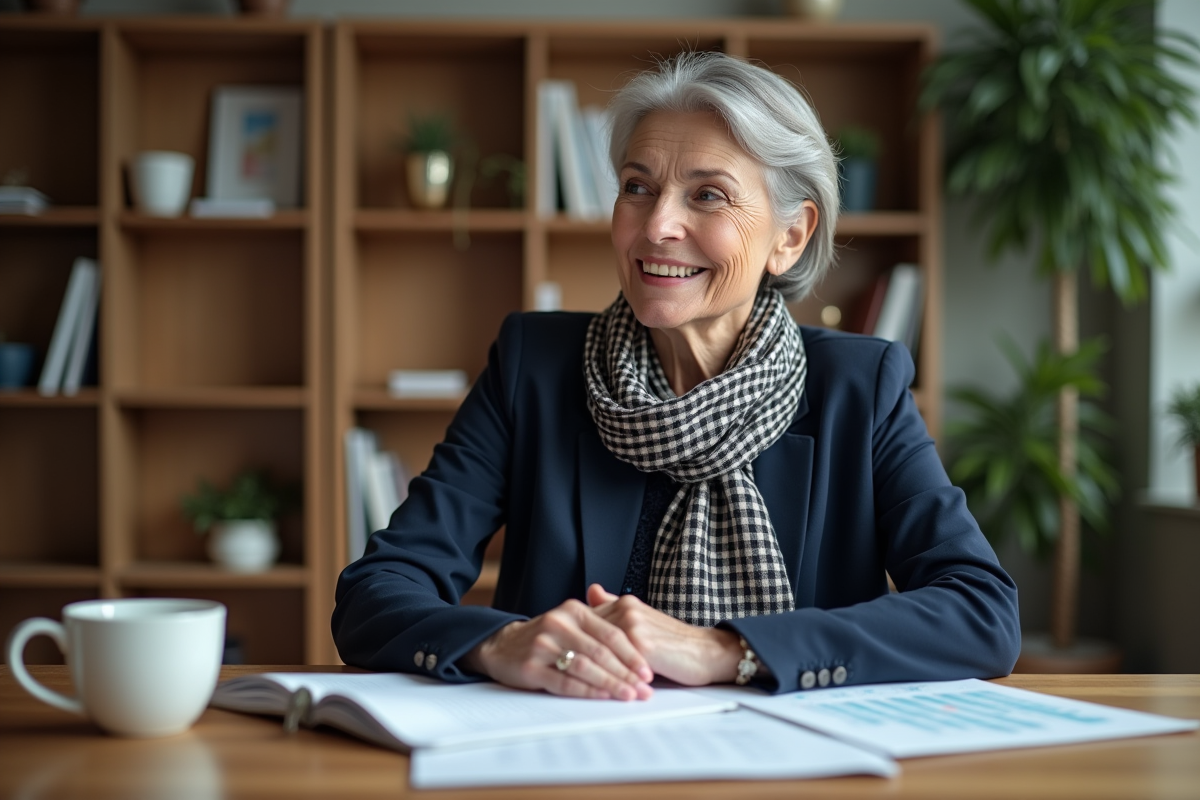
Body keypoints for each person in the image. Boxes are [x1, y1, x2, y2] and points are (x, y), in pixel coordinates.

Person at [332, 51, 1019, 700]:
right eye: (638, 187)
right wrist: (499, 642)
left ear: (790, 236)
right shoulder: (532, 367)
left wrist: (727, 650)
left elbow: (981, 612)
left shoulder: (860, 389)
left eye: (708, 195)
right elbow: (375, 592)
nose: (657, 224)